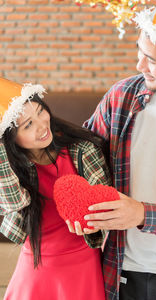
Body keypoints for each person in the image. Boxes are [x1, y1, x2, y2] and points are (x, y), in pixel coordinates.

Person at [82, 0, 156, 299]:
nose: (139, 65)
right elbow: (82, 157)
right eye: (140, 51)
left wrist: (143, 214)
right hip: (118, 273)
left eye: (151, 59)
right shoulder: (122, 97)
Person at [0, 77, 111, 300]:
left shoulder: (82, 151)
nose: (42, 126)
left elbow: (105, 200)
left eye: (40, 112)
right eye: (28, 125)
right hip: (36, 267)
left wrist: (95, 222)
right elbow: (15, 205)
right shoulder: (13, 169)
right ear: (10, 141)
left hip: (84, 264)